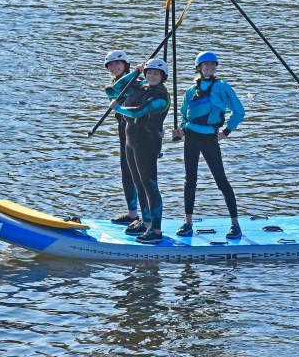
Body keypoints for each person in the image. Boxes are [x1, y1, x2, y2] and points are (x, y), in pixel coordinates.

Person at [172, 51, 246, 239]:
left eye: (213, 65)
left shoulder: (222, 87)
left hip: (210, 139)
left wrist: (227, 131)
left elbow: (239, 111)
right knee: (190, 181)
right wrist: (180, 130)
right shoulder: (190, 90)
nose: (210, 67)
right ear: (199, 67)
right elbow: (183, 114)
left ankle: (235, 225)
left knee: (221, 180)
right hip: (191, 138)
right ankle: (187, 222)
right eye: (206, 65)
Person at [111, 58, 171, 244]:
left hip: (147, 144)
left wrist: (118, 108)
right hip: (132, 141)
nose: (152, 76)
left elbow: (138, 112)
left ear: (163, 77)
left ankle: (156, 229)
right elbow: (117, 86)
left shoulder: (160, 97)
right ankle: (145, 223)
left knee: (150, 186)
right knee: (138, 183)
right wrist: (136, 72)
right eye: (149, 73)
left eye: (156, 74)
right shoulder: (142, 87)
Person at [103, 50, 140, 226]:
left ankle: (148, 220)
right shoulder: (113, 87)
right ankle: (133, 214)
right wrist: (136, 72)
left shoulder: (139, 83)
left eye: (117, 64)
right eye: (110, 65)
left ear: (125, 65)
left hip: (141, 133)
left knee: (141, 175)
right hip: (124, 132)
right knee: (127, 173)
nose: (114, 67)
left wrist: (139, 74)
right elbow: (115, 89)